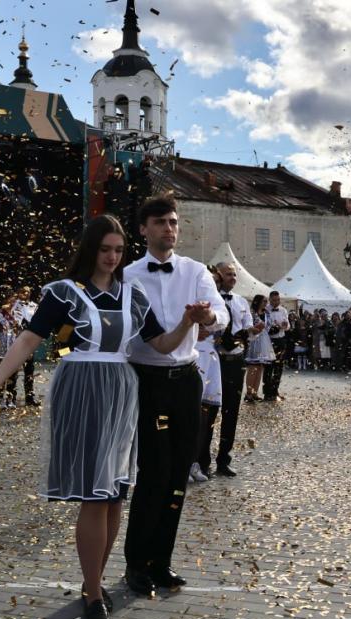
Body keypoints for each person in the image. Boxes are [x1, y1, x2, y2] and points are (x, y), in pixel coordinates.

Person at [0, 215, 204, 619]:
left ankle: (94, 581)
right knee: (95, 495)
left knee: (114, 496)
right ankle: (93, 592)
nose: (112, 257)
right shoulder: (64, 291)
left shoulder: (133, 294)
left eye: (118, 250)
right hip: (81, 390)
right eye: (105, 249)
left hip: (121, 392)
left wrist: (187, 322)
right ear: (91, 248)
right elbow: (29, 339)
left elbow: (161, 345)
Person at [122, 195, 228, 596]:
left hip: (186, 380)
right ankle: (136, 562)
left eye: (173, 222)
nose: (169, 228)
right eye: (161, 222)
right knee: (153, 471)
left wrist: (208, 316)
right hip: (146, 379)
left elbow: (222, 315)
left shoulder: (195, 270)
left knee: (179, 472)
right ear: (143, 229)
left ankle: (161, 560)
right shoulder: (128, 275)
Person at [200, 261, 255, 478]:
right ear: (218, 276)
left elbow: (248, 329)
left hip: (235, 361)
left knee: (231, 411)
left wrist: (253, 331)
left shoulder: (241, 301)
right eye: (228, 274)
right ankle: (202, 461)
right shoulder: (209, 301)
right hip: (215, 360)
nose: (232, 278)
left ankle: (224, 459)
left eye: (234, 274)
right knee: (209, 411)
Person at [190, 266, 224, 483]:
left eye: (216, 281)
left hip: (210, 359)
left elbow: (226, 330)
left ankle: (198, 460)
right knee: (189, 411)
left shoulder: (219, 305)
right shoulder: (190, 298)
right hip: (191, 356)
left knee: (207, 414)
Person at [244, 294, 275, 401]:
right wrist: (256, 328)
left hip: (264, 340)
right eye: (264, 301)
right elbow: (247, 326)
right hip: (254, 340)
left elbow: (268, 327)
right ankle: (248, 393)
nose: (266, 303)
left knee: (260, 367)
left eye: (266, 301)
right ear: (258, 302)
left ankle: (255, 392)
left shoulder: (267, 313)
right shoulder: (251, 313)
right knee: (253, 367)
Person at [262, 291, 290, 401]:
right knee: (268, 367)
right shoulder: (265, 310)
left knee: (279, 367)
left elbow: (288, 326)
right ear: (270, 299)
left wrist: (285, 325)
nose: (276, 302)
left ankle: (275, 391)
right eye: (274, 300)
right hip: (269, 341)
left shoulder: (283, 310)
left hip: (281, 340)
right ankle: (267, 392)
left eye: (278, 300)